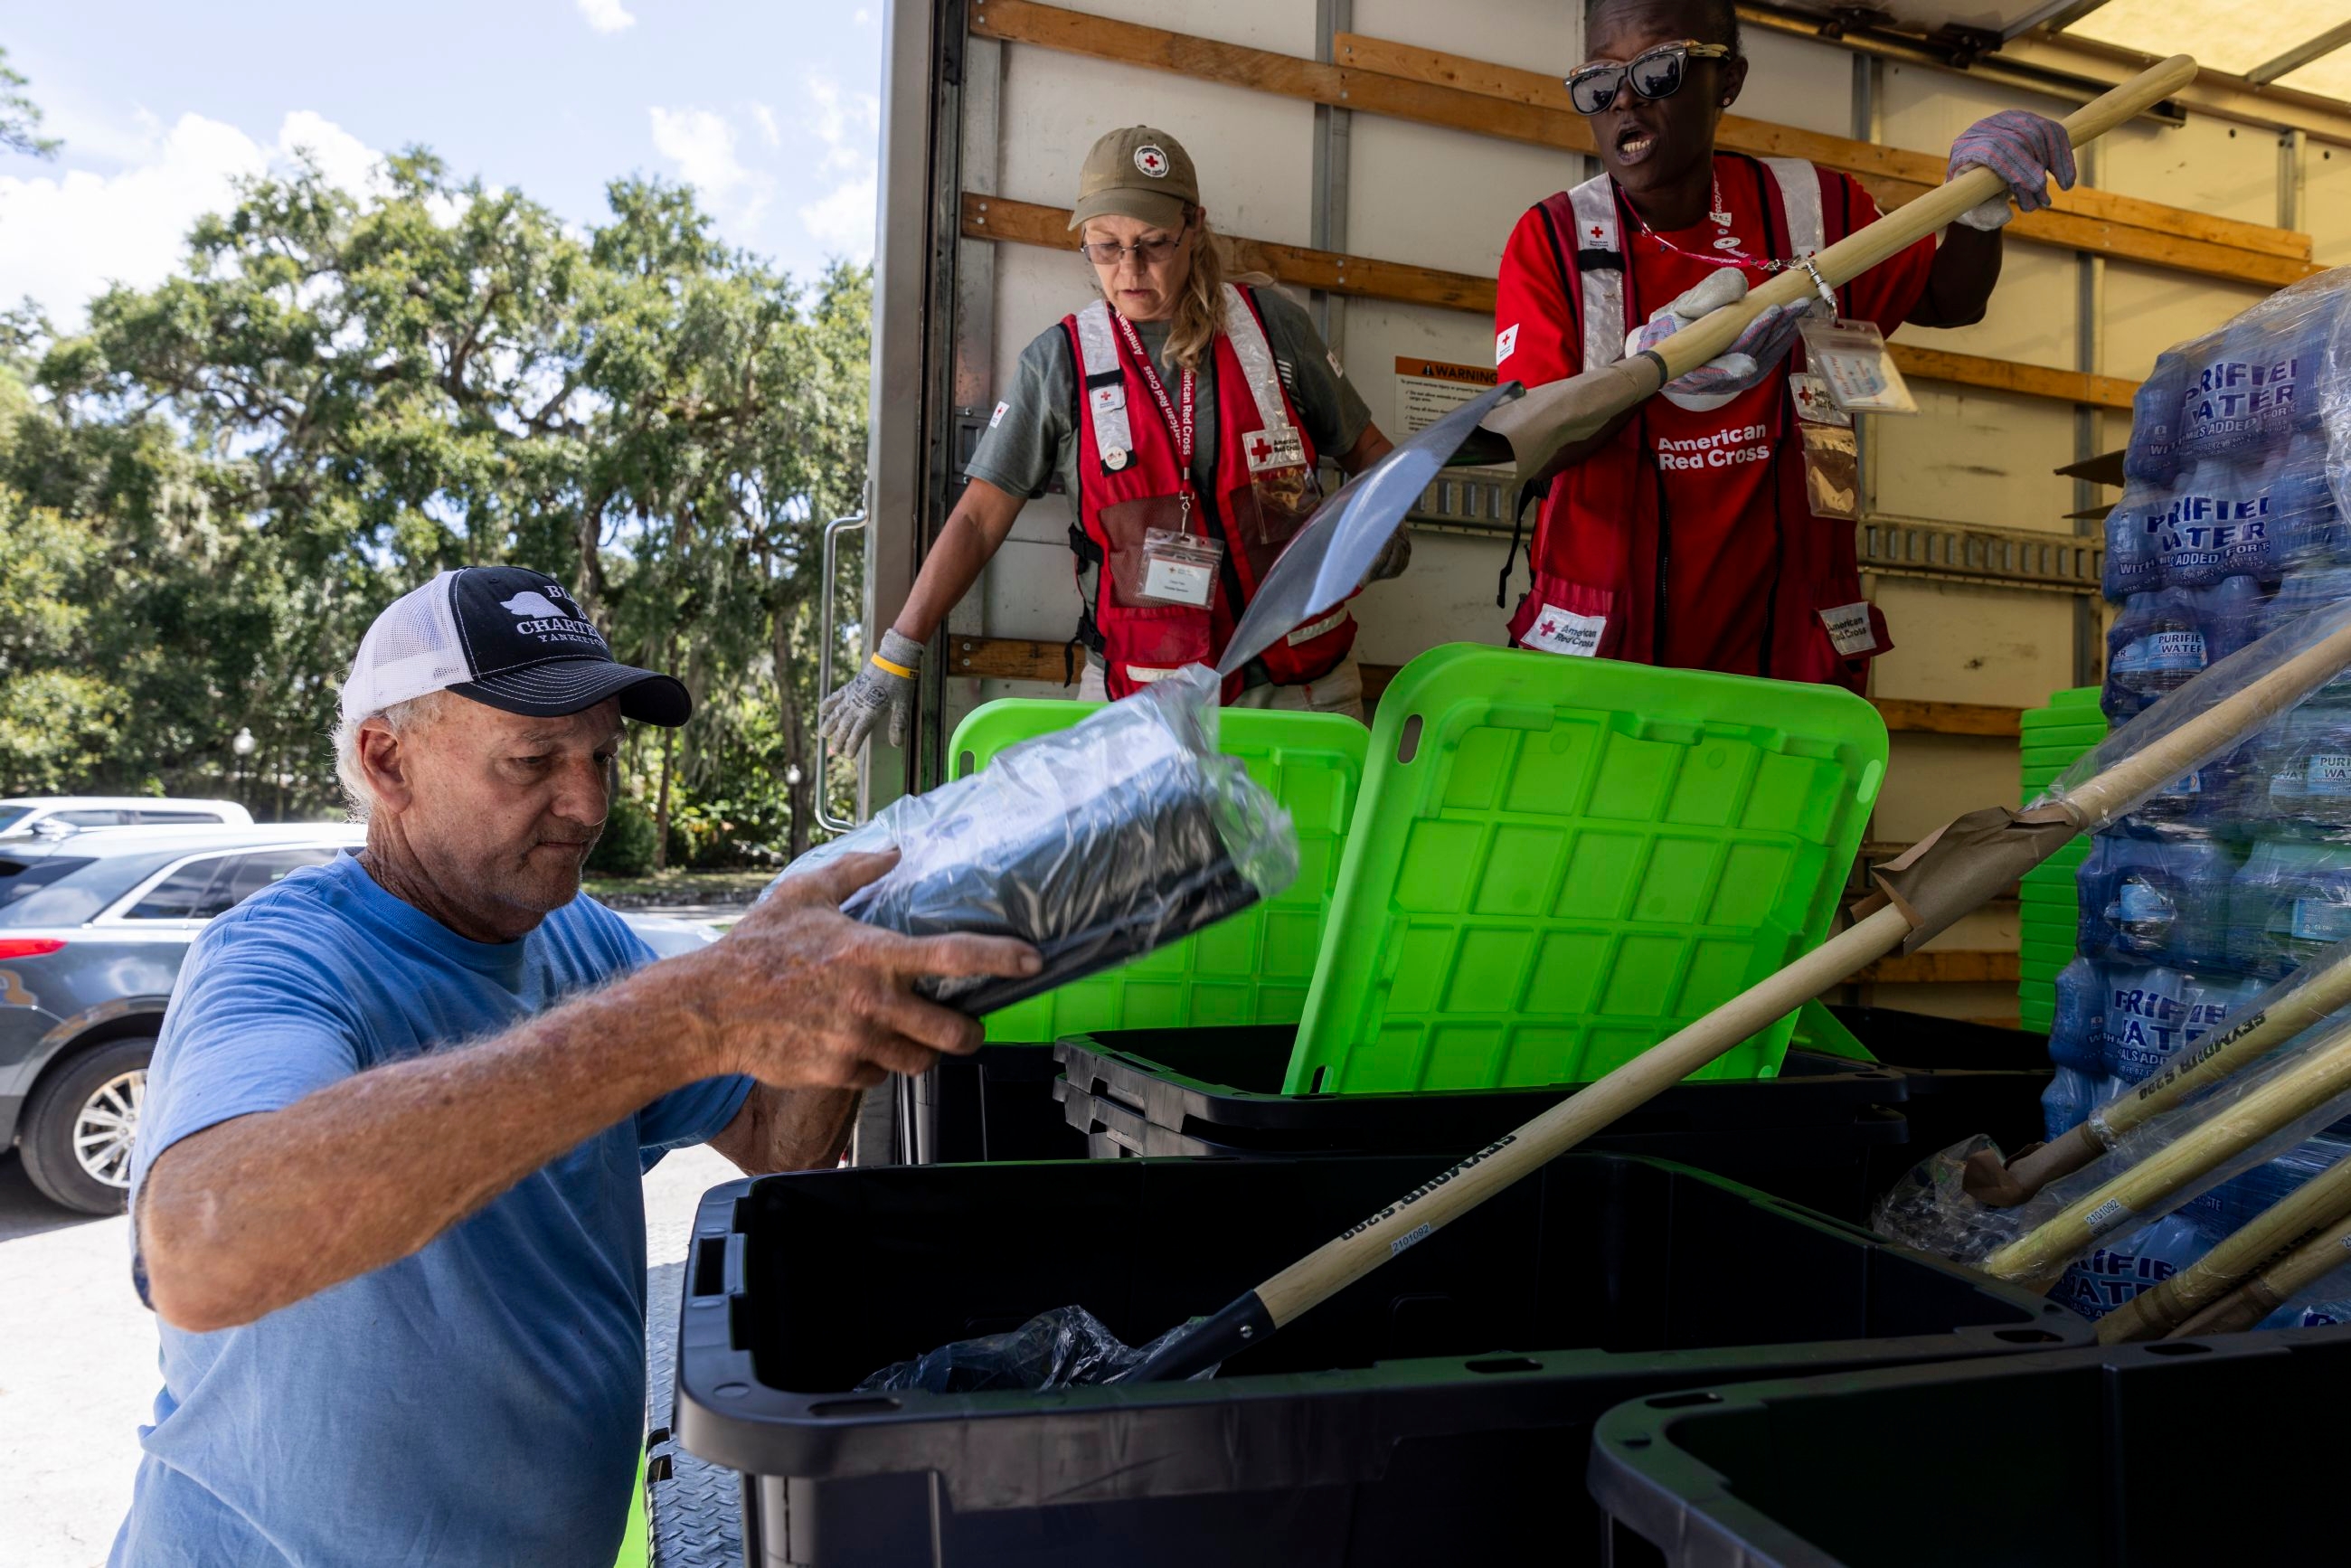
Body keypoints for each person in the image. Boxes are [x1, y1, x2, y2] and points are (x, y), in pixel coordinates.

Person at [114, 567, 1040, 1568]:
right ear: (388, 760)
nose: (588, 801)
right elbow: (200, 1252)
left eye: (602, 753)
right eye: (533, 758)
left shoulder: (580, 939)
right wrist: (689, 1014)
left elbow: (779, 1145)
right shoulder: (283, 959)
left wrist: (853, 977)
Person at [1495, 0, 2076, 693]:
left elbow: (1951, 300)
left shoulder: (1817, 207)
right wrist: (1649, 371)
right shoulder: (1554, 239)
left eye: (1658, 69)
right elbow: (1533, 447)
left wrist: (1978, 210)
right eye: (1597, 81)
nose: (1623, 97)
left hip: (1791, 651)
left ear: (1728, 81)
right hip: (1609, 657)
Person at [820, 125, 1402, 746]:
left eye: (1153, 244)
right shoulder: (1060, 363)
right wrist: (895, 653)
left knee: (1312, 848)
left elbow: (1368, 450)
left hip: (1304, 693)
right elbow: (978, 519)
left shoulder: (1272, 328)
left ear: (1194, 227)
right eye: (1105, 247)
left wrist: (1384, 518)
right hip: (1143, 701)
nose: (1129, 270)